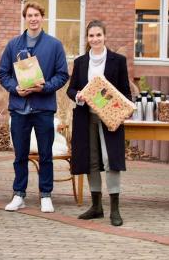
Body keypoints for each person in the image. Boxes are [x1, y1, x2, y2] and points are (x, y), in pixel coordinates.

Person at [0, 2, 69, 213]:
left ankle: (45, 195)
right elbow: (3, 74)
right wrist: (15, 88)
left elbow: (63, 75)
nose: (33, 19)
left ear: (42, 17)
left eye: (36, 15)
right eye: (29, 15)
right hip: (19, 108)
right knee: (20, 155)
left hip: (43, 108)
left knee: (45, 154)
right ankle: (19, 194)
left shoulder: (54, 45)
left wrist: (45, 87)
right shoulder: (13, 45)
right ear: (25, 18)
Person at [67, 20, 130, 226]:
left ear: (105, 36)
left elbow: (126, 92)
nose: (95, 39)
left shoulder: (118, 61)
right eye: (91, 36)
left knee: (110, 158)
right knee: (91, 160)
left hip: (110, 118)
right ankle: (96, 207)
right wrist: (79, 96)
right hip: (87, 117)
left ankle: (115, 209)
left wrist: (121, 109)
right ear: (87, 38)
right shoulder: (80, 62)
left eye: (98, 35)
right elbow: (71, 89)